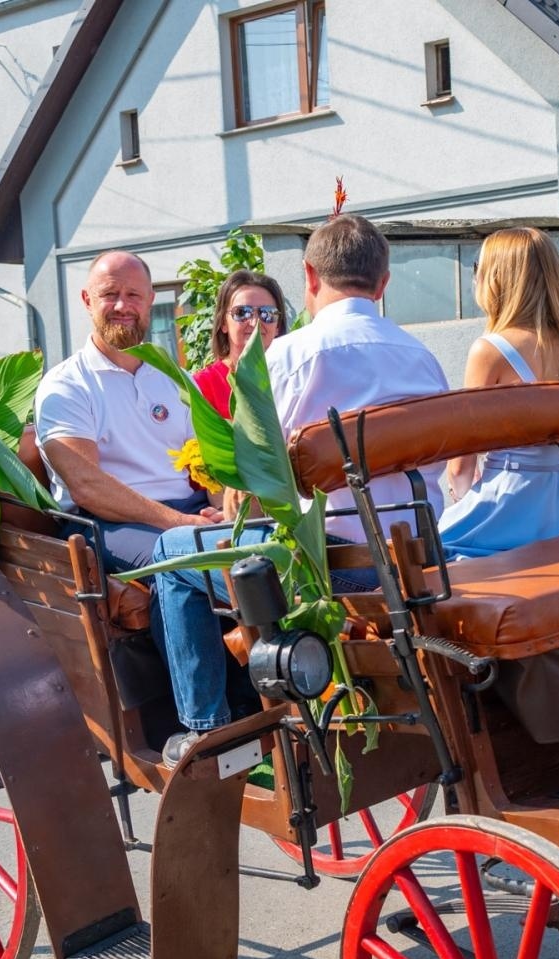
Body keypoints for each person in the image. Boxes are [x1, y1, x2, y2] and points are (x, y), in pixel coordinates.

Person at [152, 214, 451, 765]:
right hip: (420, 561)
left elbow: (252, 488)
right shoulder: (422, 357)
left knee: (169, 553)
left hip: (332, 570)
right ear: (383, 284)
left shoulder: (285, 358)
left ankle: (206, 728)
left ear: (310, 277)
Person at [34, 249, 221, 571]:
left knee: (271, 551)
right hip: (102, 525)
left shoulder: (177, 380)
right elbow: (87, 487)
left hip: (185, 513)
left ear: (150, 299)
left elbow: (212, 460)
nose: (123, 306)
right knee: (191, 565)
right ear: (87, 300)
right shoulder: (66, 385)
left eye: (133, 294)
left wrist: (223, 511)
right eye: (109, 294)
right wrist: (179, 523)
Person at [437, 227, 559, 558]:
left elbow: (460, 466)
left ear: (496, 279)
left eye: (478, 267)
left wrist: (462, 496)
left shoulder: (490, 350)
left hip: (504, 507)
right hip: (555, 513)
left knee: (422, 554)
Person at [192, 270, 289, 419]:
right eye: (242, 312)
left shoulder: (292, 378)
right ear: (223, 322)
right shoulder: (203, 385)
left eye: (267, 313)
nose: (255, 322)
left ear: (278, 326)